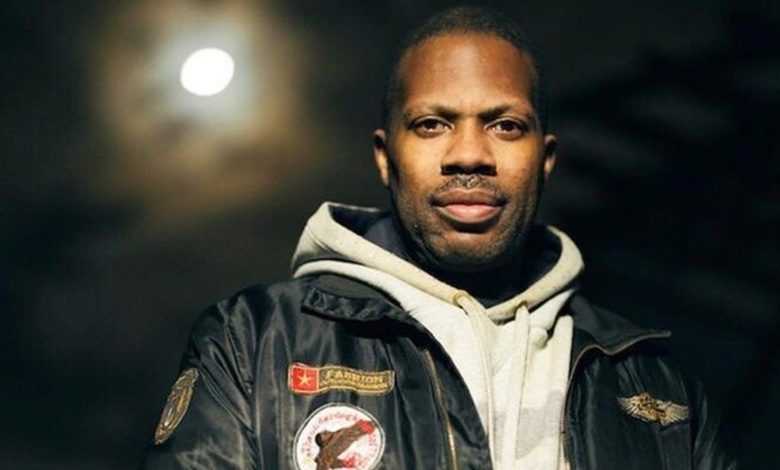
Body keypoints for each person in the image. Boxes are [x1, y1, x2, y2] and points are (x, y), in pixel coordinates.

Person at [144, 6, 736, 470]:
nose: (470, 154)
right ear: (385, 157)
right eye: (432, 124)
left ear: (545, 158)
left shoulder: (657, 386)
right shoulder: (254, 341)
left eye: (506, 125)